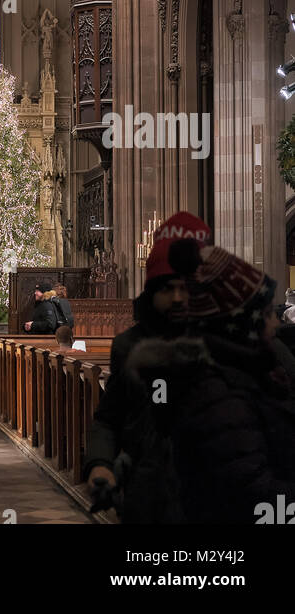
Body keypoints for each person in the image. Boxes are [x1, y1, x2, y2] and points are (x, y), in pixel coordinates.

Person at [121, 238, 295, 524]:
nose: (276, 322)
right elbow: (254, 498)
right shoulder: (218, 395)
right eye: (266, 315)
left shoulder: (244, 373)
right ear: (243, 324)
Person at [83, 211, 210, 504]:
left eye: (186, 287)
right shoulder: (129, 346)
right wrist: (100, 464)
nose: (178, 298)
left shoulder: (225, 343)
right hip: (148, 492)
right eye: (168, 289)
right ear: (152, 292)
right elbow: (108, 418)